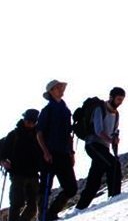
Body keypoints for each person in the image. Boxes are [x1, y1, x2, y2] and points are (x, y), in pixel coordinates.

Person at [75, 87, 125, 210]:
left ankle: (80, 207)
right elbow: (98, 131)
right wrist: (110, 140)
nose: (120, 102)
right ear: (111, 97)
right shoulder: (99, 108)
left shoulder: (116, 114)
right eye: (118, 99)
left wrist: (114, 139)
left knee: (95, 179)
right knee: (113, 165)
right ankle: (115, 196)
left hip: (103, 147)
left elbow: (113, 131)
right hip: (93, 144)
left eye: (122, 100)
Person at [36, 79, 76, 221]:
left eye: (61, 87)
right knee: (45, 187)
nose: (61, 89)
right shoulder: (47, 111)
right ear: (51, 91)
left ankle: (51, 213)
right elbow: (39, 133)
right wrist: (45, 152)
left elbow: (68, 134)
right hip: (50, 154)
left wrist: (71, 153)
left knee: (71, 188)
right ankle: (43, 216)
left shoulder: (66, 111)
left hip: (64, 154)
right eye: (58, 87)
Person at [1, 109, 42, 221]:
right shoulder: (14, 135)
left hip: (33, 174)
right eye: (28, 120)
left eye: (33, 121)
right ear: (24, 119)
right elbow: (2, 153)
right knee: (16, 203)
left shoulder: (38, 135)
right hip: (17, 174)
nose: (30, 123)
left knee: (32, 206)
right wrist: (3, 161)